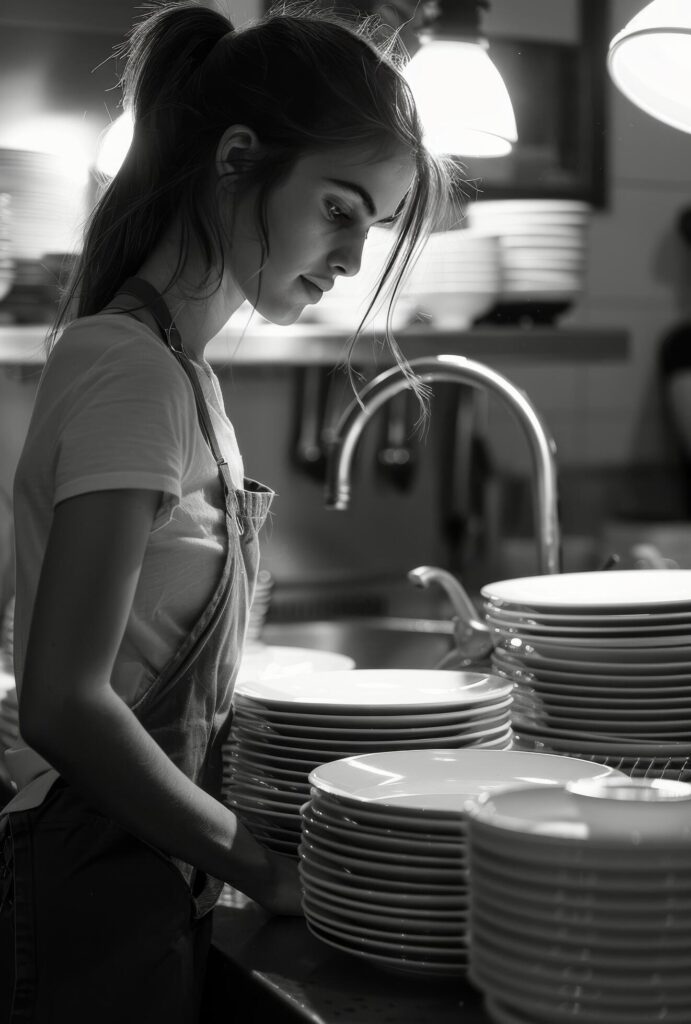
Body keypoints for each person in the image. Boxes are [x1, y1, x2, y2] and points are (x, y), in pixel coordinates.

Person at [0, 1, 457, 1020]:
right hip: (87, 870)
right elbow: (64, 702)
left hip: (142, 863)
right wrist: (264, 866)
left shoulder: (181, 370)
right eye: (339, 207)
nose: (350, 260)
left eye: (370, 227)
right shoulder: (130, 371)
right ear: (237, 157)